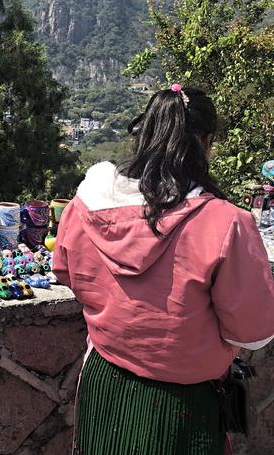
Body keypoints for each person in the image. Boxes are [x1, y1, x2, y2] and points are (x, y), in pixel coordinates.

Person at [53, 85, 274, 454]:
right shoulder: (226, 223)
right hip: (182, 405)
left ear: (145, 133)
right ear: (205, 142)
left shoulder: (89, 204)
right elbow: (254, 333)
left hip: (104, 383)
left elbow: (65, 271)